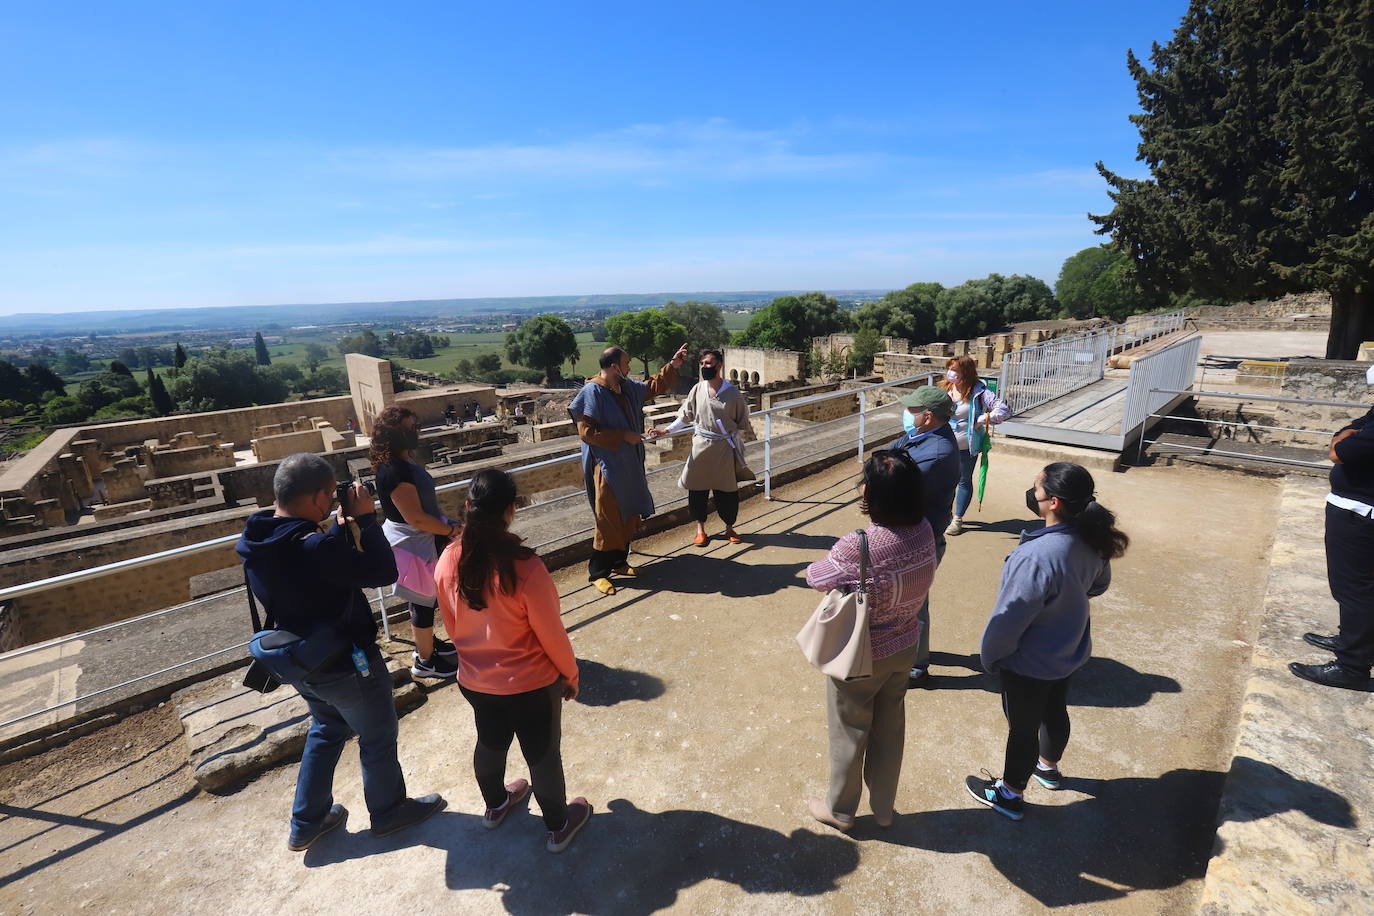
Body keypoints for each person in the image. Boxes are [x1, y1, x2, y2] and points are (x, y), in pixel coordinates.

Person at [237, 453, 445, 851]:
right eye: (331, 495)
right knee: (378, 735)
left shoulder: (257, 539)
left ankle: (306, 822)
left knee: (328, 729)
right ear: (318, 497)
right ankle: (389, 811)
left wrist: (333, 534)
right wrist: (367, 521)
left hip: (302, 662)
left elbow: (308, 578)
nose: (334, 501)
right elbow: (385, 573)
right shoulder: (313, 546)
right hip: (347, 662)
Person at [434, 468, 592, 853]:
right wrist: (569, 674)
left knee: (490, 740)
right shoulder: (525, 567)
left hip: (476, 680)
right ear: (511, 510)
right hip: (530, 684)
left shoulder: (447, 560)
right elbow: (550, 632)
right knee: (541, 752)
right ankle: (557, 826)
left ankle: (495, 805)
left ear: (468, 507)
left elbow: (452, 626)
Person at [967, 462, 1128, 820]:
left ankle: (1009, 795)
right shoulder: (1092, 539)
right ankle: (1048, 768)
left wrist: (990, 657)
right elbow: (1098, 585)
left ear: (1053, 502)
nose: (1032, 492)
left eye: (1036, 487)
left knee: (1022, 728)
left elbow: (1008, 619)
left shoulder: (1034, 556)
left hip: (1028, 661)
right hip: (1067, 649)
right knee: (1055, 711)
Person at [804, 451, 936, 832]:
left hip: (864, 653)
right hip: (905, 641)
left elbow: (816, 577)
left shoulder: (858, 544)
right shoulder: (925, 529)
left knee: (850, 730)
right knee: (889, 729)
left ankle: (841, 811)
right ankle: (883, 809)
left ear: (871, 494)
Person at [568, 343, 688, 596]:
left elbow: (652, 386)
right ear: (614, 367)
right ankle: (597, 573)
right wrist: (624, 435)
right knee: (608, 517)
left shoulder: (626, 387)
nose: (629, 367)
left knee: (629, 512)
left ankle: (620, 562)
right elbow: (586, 433)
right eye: (626, 363)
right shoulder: (593, 391)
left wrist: (673, 365)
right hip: (607, 466)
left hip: (630, 463)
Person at [1290, 369, 1374, 691]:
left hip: (1360, 516)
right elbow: (1351, 429)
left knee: (1354, 588)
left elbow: (1337, 450)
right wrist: (1350, 431)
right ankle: (1353, 641)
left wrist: (1346, 435)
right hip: (1359, 512)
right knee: (1357, 589)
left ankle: (1351, 666)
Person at [371, 406, 459, 680]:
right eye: (408, 428)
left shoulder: (401, 462)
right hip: (414, 545)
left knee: (426, 600)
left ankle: (428, 646)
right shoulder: (394, 472)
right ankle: (425, 661)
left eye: (414, 426)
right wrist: (449, 528)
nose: (414, 432)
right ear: (393, 435)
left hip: (421, 541)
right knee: (422, 603)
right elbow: (416, 518)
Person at [888, 385, 960, 687]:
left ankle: (917, 668)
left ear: (927, 416)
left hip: (920, 540)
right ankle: (912, 651)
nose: (907, 414)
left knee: (914, 604)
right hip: (910, 533)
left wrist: (880, 473)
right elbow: (890, 456)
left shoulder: (937, 453)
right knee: (905, 600)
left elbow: (888, 484)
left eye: (913, 410)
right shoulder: (920, 437)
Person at [650, 348, 753, 546]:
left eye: (708, 363)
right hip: (701, 446)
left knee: (727, 491)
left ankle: (729, 527)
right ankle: (700, 529)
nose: (705, 367)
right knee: (697, 490)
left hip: (724, 449)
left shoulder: (733, 394)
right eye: (702, 363)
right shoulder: (698, 389)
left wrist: (731, 442)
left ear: (719, 366)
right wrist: (666, 431)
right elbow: (686, 416)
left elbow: (742, 423)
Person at [940, 355, 1010, 536]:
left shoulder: (979, 392)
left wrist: (981, 419)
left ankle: (957, 519)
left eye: (955, 370)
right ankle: (943, 514)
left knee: (963, 481)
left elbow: (1003, 409)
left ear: (966, 372)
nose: (950, 373)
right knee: (945, 481)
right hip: (943, 445)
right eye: (950, 368)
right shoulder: (944, 388)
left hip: (966, 448)